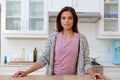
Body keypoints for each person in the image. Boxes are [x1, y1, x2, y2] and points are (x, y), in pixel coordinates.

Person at [13, 6, 105, 80]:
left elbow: (86, 62)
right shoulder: (53, 37)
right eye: (63, 18)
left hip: (74, 78)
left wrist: (93, 74)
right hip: (54, 77)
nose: (66, 21)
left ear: (74, 20)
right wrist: (26, 72)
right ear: (60, 20)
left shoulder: (81, 39)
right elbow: (44, 58)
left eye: (70, 18)